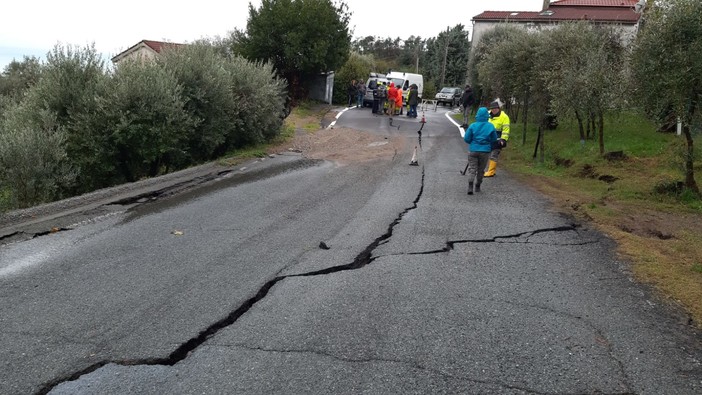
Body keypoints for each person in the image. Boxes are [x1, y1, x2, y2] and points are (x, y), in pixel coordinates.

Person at [464, 107, 498, 195]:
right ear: (487, 116)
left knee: (472, 169)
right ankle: (478, 185)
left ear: (477, 115)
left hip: (473, 150)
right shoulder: (490, 126)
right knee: (481, 169)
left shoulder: (473, 125)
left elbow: (467, 139)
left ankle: (470, 186)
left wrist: (472, 142)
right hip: (485, 151)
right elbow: (494, 139)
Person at [484, 100, 510, 177]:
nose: (494, 110)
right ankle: (484, 170)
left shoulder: (504, 117)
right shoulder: (487, 114)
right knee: (484, 154)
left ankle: (491, 172)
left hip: (498, 139)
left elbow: (506, 130)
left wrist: (503, 139)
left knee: (493, 155)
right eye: (492, 108)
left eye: (495, 108)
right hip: (487, 138)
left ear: (498, 108)